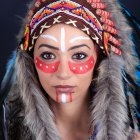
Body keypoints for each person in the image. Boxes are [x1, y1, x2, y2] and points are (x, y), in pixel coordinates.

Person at [0, 0, 140, 139]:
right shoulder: (8, 132)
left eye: (79, 55)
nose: (63, 73)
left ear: (100, 59)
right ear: (30, 61)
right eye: (48, 55)